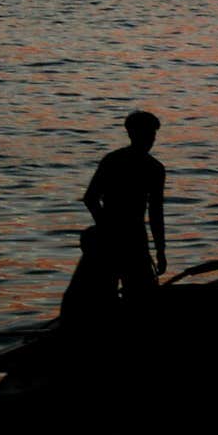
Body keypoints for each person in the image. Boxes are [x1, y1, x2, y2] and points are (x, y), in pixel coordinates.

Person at [79, 110, 167, 308]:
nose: (151, 139)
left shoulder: (152, 167)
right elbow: (91, 198)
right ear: (131, 134)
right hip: (121, 237)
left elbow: (155, 213)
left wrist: (160, 250)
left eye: (153, 134)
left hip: (131, 237)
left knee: (135, 295)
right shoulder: (118, 162)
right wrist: (107, 227)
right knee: (118, 295)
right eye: (147, 134)